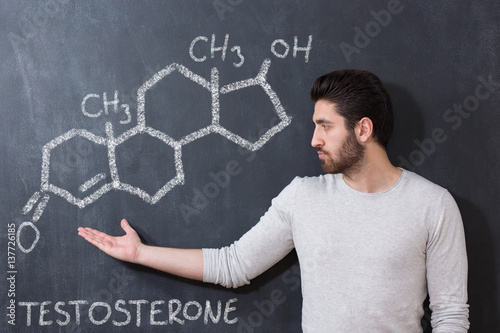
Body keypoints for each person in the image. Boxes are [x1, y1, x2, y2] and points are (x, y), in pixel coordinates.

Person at [78, 69, 469, 332]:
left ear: (363, 129)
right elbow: (233, 264)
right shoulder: (304, 196)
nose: (314, 139)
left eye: (325, 126)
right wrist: (141, 254)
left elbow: (451, 315)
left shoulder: (432, 205)